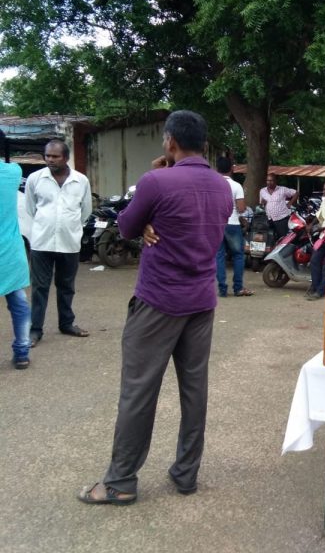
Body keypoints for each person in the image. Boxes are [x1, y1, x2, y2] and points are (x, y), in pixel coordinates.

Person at [77, 110, 233, 505]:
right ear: (204, 143)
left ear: (169, 141)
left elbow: (127, 228)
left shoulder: (155, 181)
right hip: (202, 301)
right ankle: (186, 474)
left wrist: (147, 209)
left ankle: (120, 482)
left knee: (138, 391)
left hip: (159, 302)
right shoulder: (222, 187)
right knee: (195, 390)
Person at [25, 139, 92, 347]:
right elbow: (31, 208)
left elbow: (86, 211)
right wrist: (48, 223)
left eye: (55, 156)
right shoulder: (35, 179)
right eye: (47, 156)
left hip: (69, 242)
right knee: (39, 288)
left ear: (66, 158)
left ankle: (67, 324)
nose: (50, 160)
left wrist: (69, 227)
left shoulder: (81, 181)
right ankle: (35, 330)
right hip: (42, 243)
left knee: (66, 286)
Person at [1, 139, 31, 370]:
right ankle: (22, 351)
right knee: (18, 301)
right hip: (10, 250)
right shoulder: (14, 171)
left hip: (9, 249)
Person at [215, 156, 253, 297]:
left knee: (219, 256)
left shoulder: (212, 184)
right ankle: (238, 288)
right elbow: (242, 208)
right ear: (231, 169)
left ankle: (222, 290)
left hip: (216, 224)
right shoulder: (237, 186)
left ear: (217, 169)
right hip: (232, 223)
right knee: (238, 255)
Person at [259, 173, 297, 240]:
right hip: (269, 219)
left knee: (283, 238)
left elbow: (296, 193)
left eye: (271, 180)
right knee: (271, 238)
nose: (269, 182)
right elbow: (262, 202)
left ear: (276, 181)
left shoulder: (282, 189)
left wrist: (290, 203)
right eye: (268, 180)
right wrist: (263, 203)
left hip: (282, 218)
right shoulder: (262, 191)